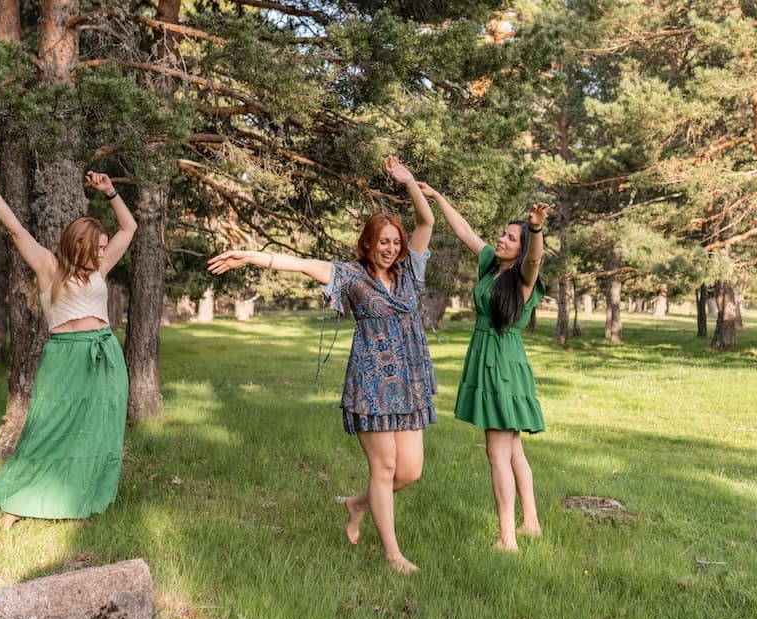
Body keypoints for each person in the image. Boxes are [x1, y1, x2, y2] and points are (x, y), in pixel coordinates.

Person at [207, 156, 436, 574]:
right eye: (382, 241)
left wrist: (409, 182)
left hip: (410, 382)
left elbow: (426, 222)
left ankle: (356, 504)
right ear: (367, 244)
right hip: (370, 383)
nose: (390, 248)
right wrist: (249, 255)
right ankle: (392, 554)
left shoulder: (410, 272)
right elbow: (296, 263)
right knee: (384, 469)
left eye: (394, 241)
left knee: (410, 472)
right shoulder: (349, 276)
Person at [0, 154, 137, 530]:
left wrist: (110, 192)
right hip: (65, 357)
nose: (101, 253)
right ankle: (15, 502)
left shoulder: (101, 267)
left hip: (104, 354)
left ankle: (80, 499)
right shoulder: (49, 267)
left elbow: (129, 228)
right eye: (96, 247)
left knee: (97, 428)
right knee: (47, 428)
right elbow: (16, 230)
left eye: (103, 248)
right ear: (77, 244)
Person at [417, 179, 550, 551]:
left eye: (511, 238)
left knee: (497, 454)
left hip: (500, 362)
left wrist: (536, 227)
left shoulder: (524, 277)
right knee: (513, 450)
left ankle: (507, 538)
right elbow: (464, 231)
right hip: (493, 357)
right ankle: (531, 523)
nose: (502, 240)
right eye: (504, 235)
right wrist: (438, 197)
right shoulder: (492, 263)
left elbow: (536, 257)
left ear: (522, 249)